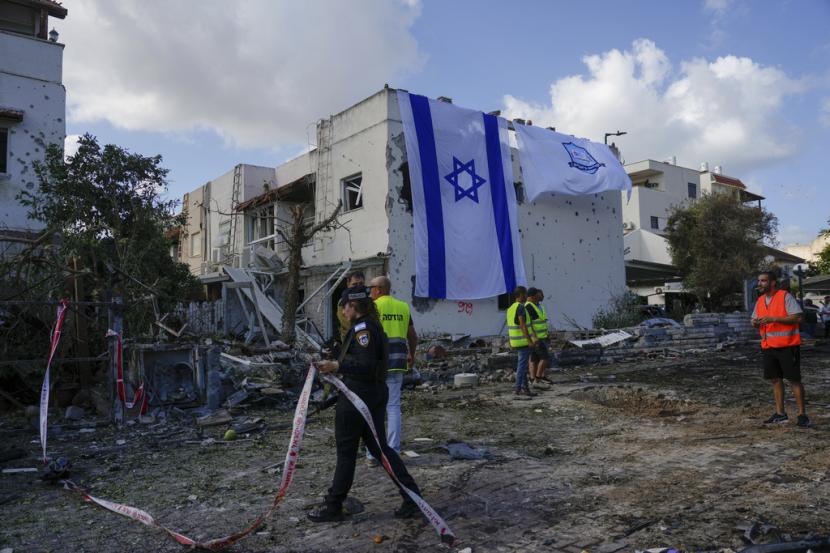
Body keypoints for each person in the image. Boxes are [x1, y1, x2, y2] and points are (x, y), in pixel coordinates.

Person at [308, 286, 423, 522]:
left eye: (344, 306)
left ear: (353, 306)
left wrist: (337, 366)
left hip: (358, 397)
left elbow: (367, 365)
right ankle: (412, 497)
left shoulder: (363, 330)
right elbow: (364, 358)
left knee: (347, 453)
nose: (342, 311)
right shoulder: (370, 326)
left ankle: (333, 505)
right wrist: (338, 355)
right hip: (371, 394)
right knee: (382, 450)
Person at [365, 275, 417, 466]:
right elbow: (413, 336)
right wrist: (412, 354)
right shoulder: (403, 307)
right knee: (393, 407)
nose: (369, 291)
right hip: (398, 363)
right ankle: (393, 452)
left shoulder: (373, 308)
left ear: (378, 289)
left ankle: (372, 455)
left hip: (377, 366)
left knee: (372, 409)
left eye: (371, 288)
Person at [751, 271, 809, 427]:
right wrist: (755, 323)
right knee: (775, 380)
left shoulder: (785, 296)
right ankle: (780, 414)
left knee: (794, 380)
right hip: (768, 347)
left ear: (772, 282)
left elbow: (798, 317)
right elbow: (754, 318)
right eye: (759, 280)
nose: (760, 283)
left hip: (788, 346)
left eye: (763, 281)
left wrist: (774, 318)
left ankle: (802, 415)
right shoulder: (760, 300)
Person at [506, 286, 535, 397]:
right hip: (522, 341)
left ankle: (525, 389)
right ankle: (517, 389)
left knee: (522, 365)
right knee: (522, 366)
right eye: (525, 294)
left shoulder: (510, 308)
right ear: (521, 295)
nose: (526, 296)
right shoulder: (521, 308)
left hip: (514, 341)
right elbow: (523, 325)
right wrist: (530, 340)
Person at [525, 288, 551, 388]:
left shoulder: (539, 306)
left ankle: (534, 379)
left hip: (542, 336)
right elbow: (529, 324)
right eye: (539, 294)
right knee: (544, 358)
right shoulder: (529, 306)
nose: (541, 296)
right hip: (537, 338)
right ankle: (537, 378)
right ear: (533, 296)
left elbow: (541, 321)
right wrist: (533, 336)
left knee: (534, 358)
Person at [337, 271, 365, 343]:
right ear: (348, 284)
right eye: (354, 284)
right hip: (350, 339)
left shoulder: (367, 299)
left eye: (361, 284)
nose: (358, 287)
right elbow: (346, 322)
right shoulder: (343, 301)